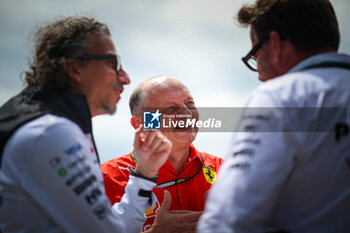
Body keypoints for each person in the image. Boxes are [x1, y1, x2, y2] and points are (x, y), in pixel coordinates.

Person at [0, 16, 172, 233]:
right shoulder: (52, 133)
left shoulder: (48, 120)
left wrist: (145, 172)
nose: (126, 78)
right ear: (74, 69)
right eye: (112, 64)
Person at [198, 0, 350, 232]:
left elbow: (227, 221)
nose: (259, 75)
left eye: (255, 55)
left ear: (275, 44)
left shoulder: (279, 98)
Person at [101, 76, 224, 232]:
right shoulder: (105, 178)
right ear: (141, 123)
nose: (186, 114)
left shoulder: (225, 170)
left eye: (190, 104)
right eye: (171, 108)